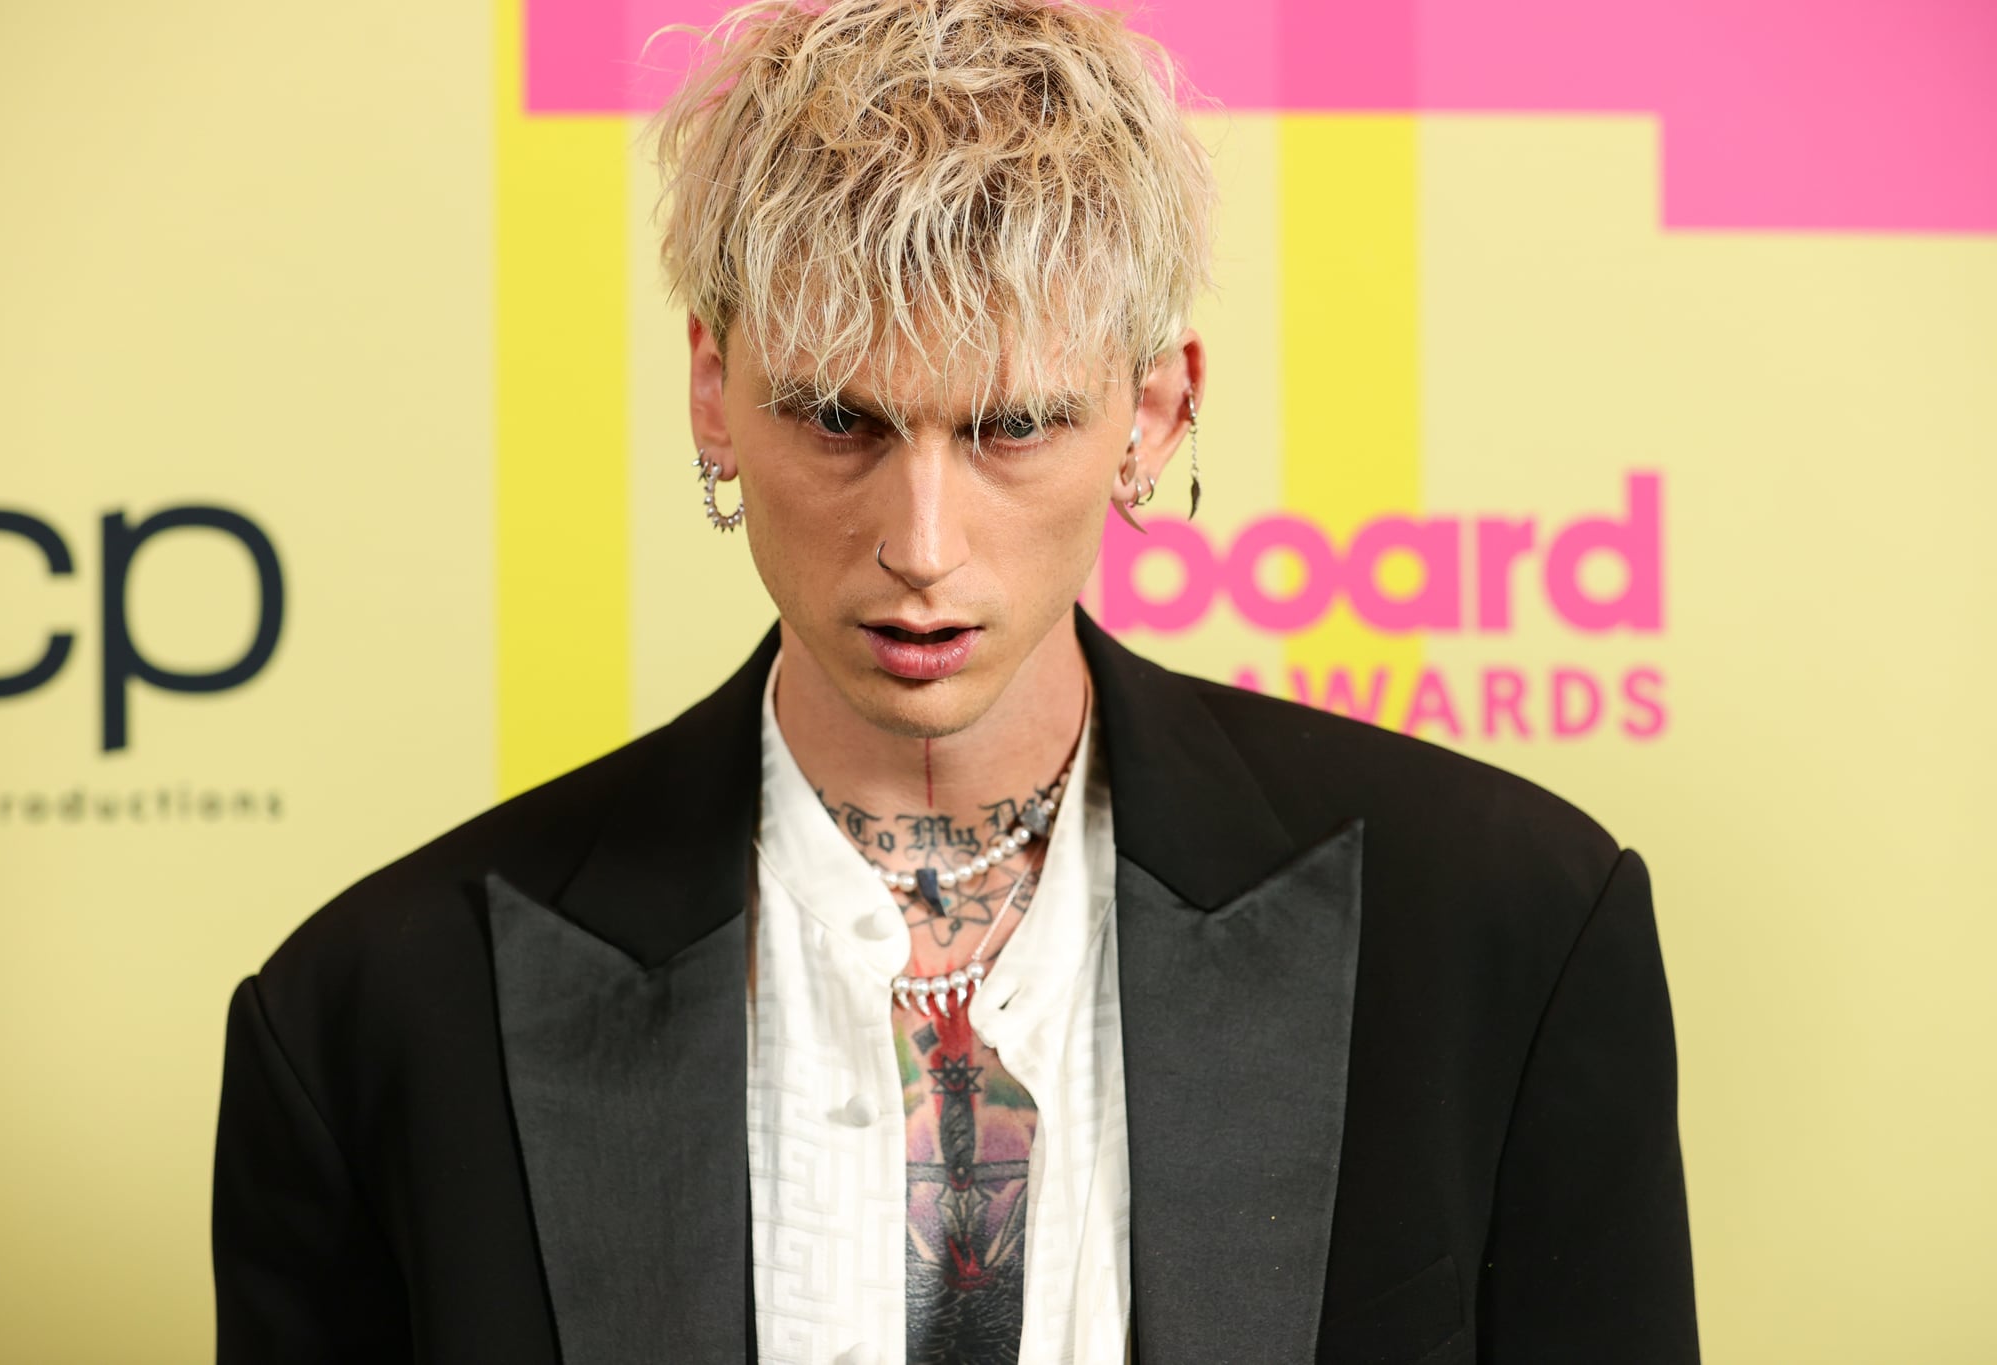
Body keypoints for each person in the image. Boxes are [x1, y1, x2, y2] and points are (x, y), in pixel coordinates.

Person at [210, 1, 1699, 1361]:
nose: (921, 544)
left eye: (1013, 427)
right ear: (713, 392)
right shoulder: (378, 1015)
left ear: (1155, 410)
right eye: (841, 420)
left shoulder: (1503, 934)